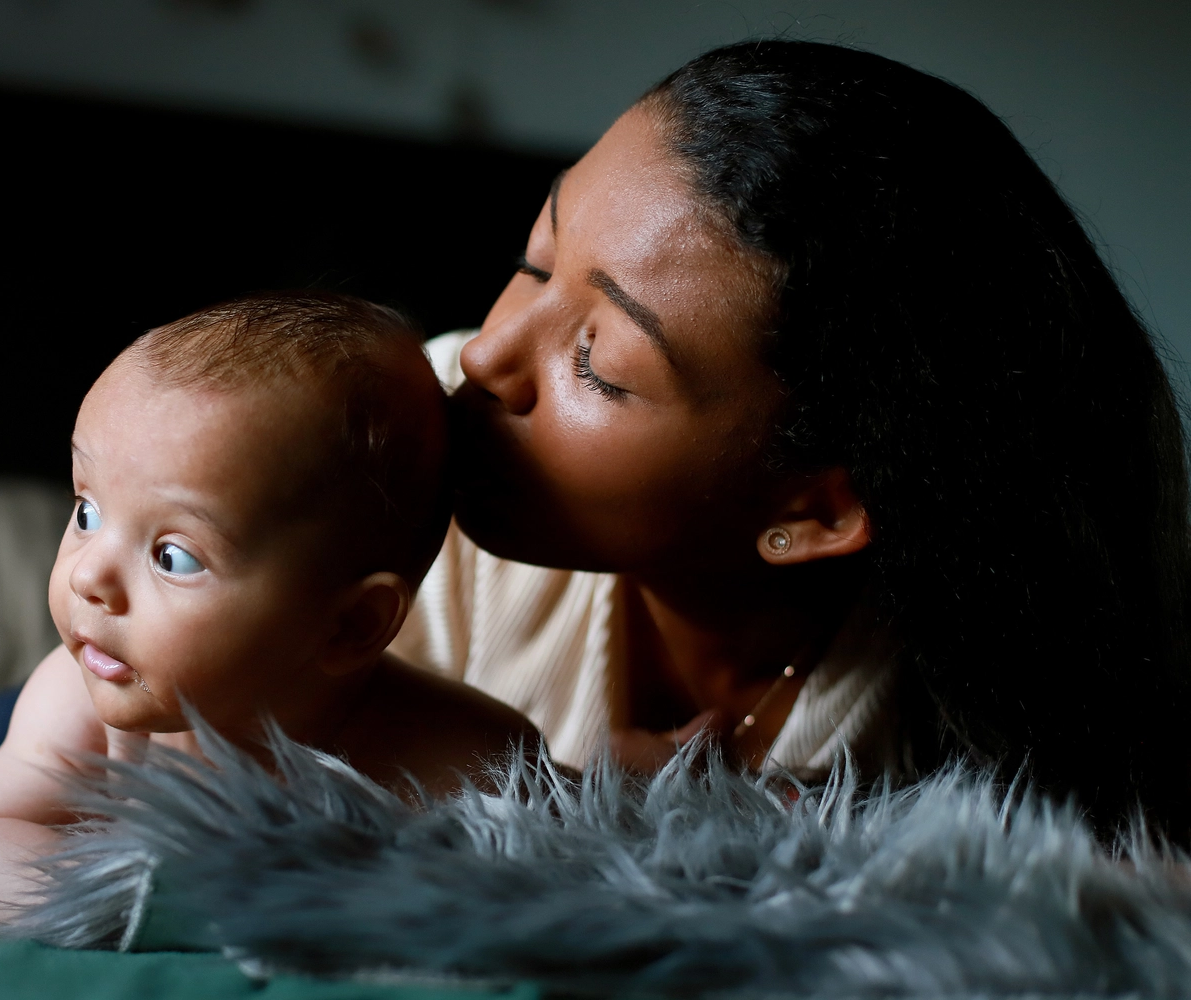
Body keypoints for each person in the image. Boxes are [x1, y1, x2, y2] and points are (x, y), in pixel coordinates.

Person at [390, 39, 1191, 840]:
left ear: (820, 511)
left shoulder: (977, 742)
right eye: (535, 261)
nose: (484, 356)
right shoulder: (381, 436)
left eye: (600, 365)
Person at [0, 292, 540, 930]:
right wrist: (161, 904)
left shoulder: (461, 759)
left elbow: (564, 874)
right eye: (87, 512)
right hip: (24, 710)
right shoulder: (73, 704)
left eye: (174, 557)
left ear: (350, 625)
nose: (87, 575)